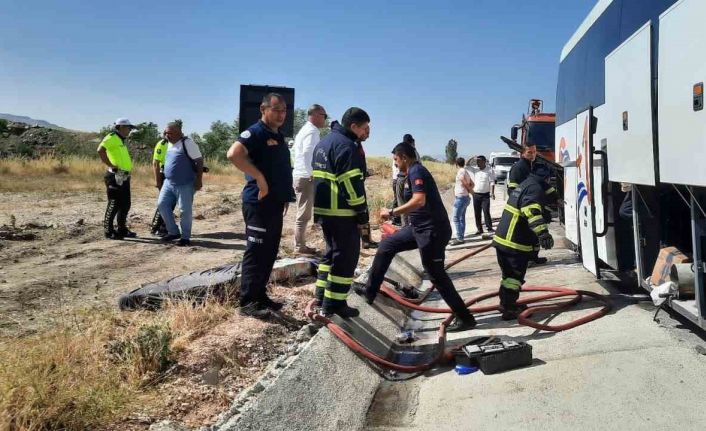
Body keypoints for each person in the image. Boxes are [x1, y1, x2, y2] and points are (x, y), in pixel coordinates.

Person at [356, 143, 477, 332]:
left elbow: (419, 200)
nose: (395, 164)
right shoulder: (409, 173)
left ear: (404, 157)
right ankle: (369, 292)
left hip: (433, 231)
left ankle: (465, 318)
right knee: (387, 246)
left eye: (396, 160)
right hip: (418, 228)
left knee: (436, 275)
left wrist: (392, 212)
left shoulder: (417, 171)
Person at [227, 93, 295, 318]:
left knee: (269, 251)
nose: (281, 114)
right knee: (256, 251)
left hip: (275, 203)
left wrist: (283, 196)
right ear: (263, 110)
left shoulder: (279, 135)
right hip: (258, 202)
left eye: (284, 110)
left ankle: (259, 295)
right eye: (276, 110)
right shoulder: (255, 132)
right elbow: (233, 154)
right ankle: (247, 302)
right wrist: (259, 178)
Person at [312, 107, 371, 318]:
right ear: (353, 126)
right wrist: (361, 211)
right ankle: (335, 303)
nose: (367, 132)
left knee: (330, 254)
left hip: (324, 210)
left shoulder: (325, 142)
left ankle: (320, 295)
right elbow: (351, 183)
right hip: (341, 212)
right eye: (364, 128)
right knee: (345, 258)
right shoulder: (346, 146)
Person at [493, 164, 554, 320]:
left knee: (508, 277)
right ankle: (509, 309)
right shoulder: (535, 188)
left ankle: (506, 304)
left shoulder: (526, 183)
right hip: (514, 242)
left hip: (504, 240)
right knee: (514, 278)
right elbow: (531, 210)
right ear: (546, 178)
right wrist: (543, 233)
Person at [157, 120, 203, 247]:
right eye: (165, 133)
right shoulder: (168, 144)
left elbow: (199, 161)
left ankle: (185, 237)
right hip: (168, 183)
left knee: (185, 210)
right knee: (162, 204)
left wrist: (199, 180)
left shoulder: (187, 143)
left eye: (170, 133)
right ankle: (173, 232)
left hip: (185, 184)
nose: (167, 135)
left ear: (179, 133)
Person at [507, 144, 555, 265]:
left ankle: (534, 257)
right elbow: (513, 190)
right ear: (522, 153)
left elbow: (541, 185)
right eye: (529, 152)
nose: (532, 155)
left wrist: (554, 198)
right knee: (526, 234)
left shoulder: (534, 166)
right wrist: (523, 205)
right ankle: (525, 259)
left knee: (535, 234)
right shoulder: (518, 168)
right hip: (525, 207)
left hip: (536, 204)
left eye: (534, 152)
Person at [292, 104, 327, 255]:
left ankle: (299, 245)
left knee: (303, 212)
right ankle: (299, 247)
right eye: (324, 116)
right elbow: (308, 153)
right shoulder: (312, 131)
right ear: (315, 115)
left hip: (301, 174)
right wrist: (312, 172)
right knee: (304, 213)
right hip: (306, 176)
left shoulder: (305, 130)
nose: (325, 119)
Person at [97, 118, 137, 240]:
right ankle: (108, 231)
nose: (130, 130)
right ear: (120, 127)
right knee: (114, 204)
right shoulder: (111, 137)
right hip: (114, 176)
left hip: (124, 176)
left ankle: (122, 229)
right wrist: (110, 165)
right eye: (128, 128)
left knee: (125, 204)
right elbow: (100, 150)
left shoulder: (121, 140)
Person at [393, 134, 421, 227]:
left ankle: (406, 228)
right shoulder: (412, 152)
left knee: (402, 204)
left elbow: (418, 200)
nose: (396, 162)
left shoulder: (398, 149)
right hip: (402, 178)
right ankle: (407, 227)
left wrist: (391, 212)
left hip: (400, 178)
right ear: (412, 142)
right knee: (404, 205)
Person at [467, 155, 496, 235]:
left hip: (485, 195)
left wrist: (492, 193)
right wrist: (472, 157)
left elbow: (492, 182)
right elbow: (467, 165)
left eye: (479, 161)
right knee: (477, 212)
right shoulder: (475, 169)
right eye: (477, 161)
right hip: (476, 195)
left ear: (484, 162)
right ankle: (479, 229)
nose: (477, 163)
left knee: (486, 211)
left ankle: (489, 228)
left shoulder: (489, 170)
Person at [450, 157, 474, 245]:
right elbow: (472, 184)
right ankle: (461, 236)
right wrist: (469, 191)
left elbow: (465, 183)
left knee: (456, 218)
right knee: (461, 218)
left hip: (460, 198)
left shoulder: (460, 172)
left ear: (456, 164)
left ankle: (459, 238)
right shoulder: (466, 171)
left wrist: (470, 191)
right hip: (465, 197)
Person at [150, 131, 170, 236]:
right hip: (164, 175)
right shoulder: (162, 144)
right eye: (167, 133)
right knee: (165, 202)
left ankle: (163, 226)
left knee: (169, 203)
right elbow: (156, 163)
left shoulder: (176, 144)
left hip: (173, 176)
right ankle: (158, 227)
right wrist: (158, 180)